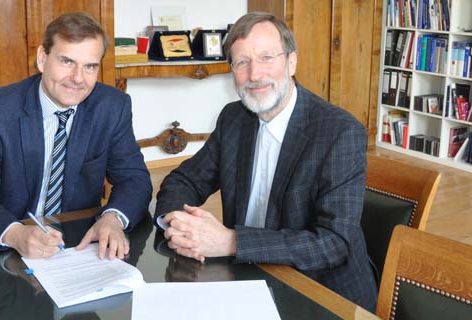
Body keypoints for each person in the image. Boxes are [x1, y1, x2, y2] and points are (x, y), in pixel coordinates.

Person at [155, 12, 377, 312]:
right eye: (242, 62)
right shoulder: (234, 119)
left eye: (266, 57)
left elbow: (334, 243)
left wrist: (231, 242)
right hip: (252, 277)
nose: (255, 74)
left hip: (322, 293)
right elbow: (183, 181)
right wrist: (181, 225)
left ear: (292, 62)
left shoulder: (339, 132)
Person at [0, 12, 151, 261]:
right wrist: (16, 234)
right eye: (67, 62)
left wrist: (113, 218)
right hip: (8, 250)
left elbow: (134, 179)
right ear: (42, 59)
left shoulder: (112, 106)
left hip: (79, 246)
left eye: (90, 66)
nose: (78, 78)